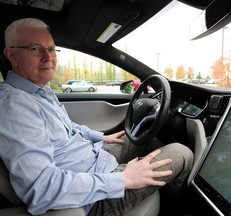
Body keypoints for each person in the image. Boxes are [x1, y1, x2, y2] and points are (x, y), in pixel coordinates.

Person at [0, 18, 193, 216]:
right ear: (12, 56)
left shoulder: (39, 92)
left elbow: (67, 127)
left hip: (93, 159)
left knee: (146, 136)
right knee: (182, 153)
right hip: (91, 197)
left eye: (51, 49)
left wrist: (99, 137)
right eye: (35, 49)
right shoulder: (13, 106)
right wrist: (125, 179)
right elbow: (42, 188)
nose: (48, 57)